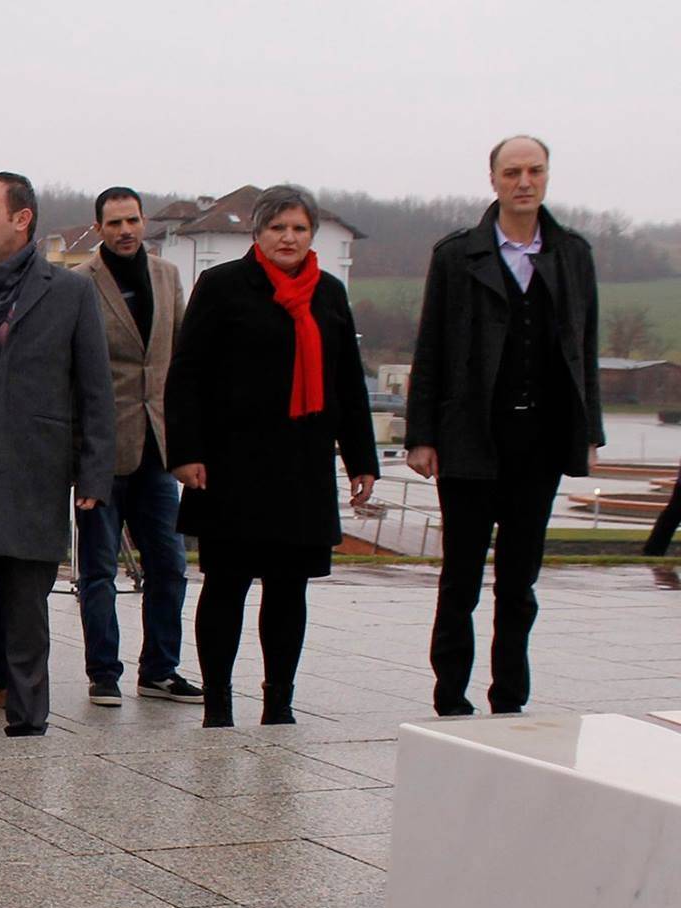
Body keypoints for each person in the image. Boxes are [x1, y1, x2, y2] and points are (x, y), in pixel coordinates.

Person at [165, 185, 377, 727]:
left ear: (312, 237)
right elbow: (186, 375)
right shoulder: (222, 285)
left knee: (289, 591)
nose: (289, 238)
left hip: (302, 468)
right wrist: (186, 452)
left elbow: (348, 383)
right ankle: (218, 703)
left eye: (299, 229)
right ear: (258, 233)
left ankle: (278, 701)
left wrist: (362, 461)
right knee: (226, 587)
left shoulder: (328, 293)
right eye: (278, 228)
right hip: (231, 465)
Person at [406, 136, 603, 716]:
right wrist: (421, 434)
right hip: (469, 438)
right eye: (512, 172)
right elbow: (431, 346)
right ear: (492, 180)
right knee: (460, 578)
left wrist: (588, 430)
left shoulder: (573, 253)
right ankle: (450, 695)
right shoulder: (456, 255)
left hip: (539, 442)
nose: (524, 181)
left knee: (519, 581)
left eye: (535, 171)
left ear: (547, 177)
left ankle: (510, 695)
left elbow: (583, 348)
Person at [0, 172, 115, 740]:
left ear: (22, 219)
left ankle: (29, 714)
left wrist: (94, 471)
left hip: (37, 465)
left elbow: (94, 388)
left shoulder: (70, 292)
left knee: (28, 607)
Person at [74, 187, 201, 706]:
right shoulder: (80, 284)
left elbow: (181, 359)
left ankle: (160, 669)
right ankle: (104, 671)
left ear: (144, 222)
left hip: (159, 447)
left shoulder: (168, 277)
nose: (125, 231)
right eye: (114, 223)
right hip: (104, 449)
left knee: (169, 564)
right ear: (99, 227)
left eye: (132, 221)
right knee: (98, 569)